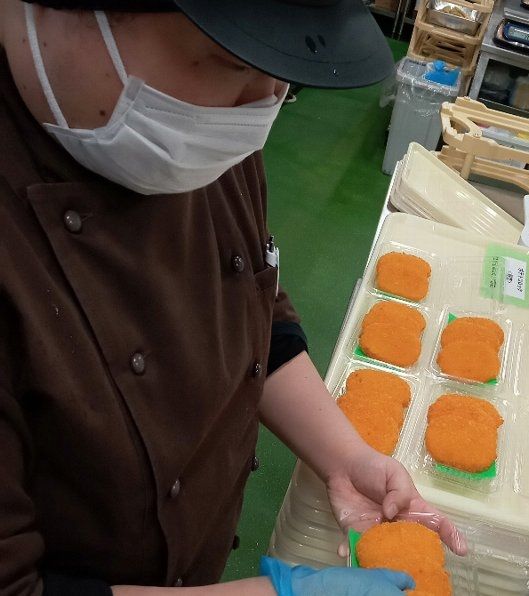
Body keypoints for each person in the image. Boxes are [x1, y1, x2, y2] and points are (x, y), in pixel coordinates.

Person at [0, 1, 465, 594]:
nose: (263, 104)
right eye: (230, 61)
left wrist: (346, 457)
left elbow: (251, 305)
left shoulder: (196, 130)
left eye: (282, 75)